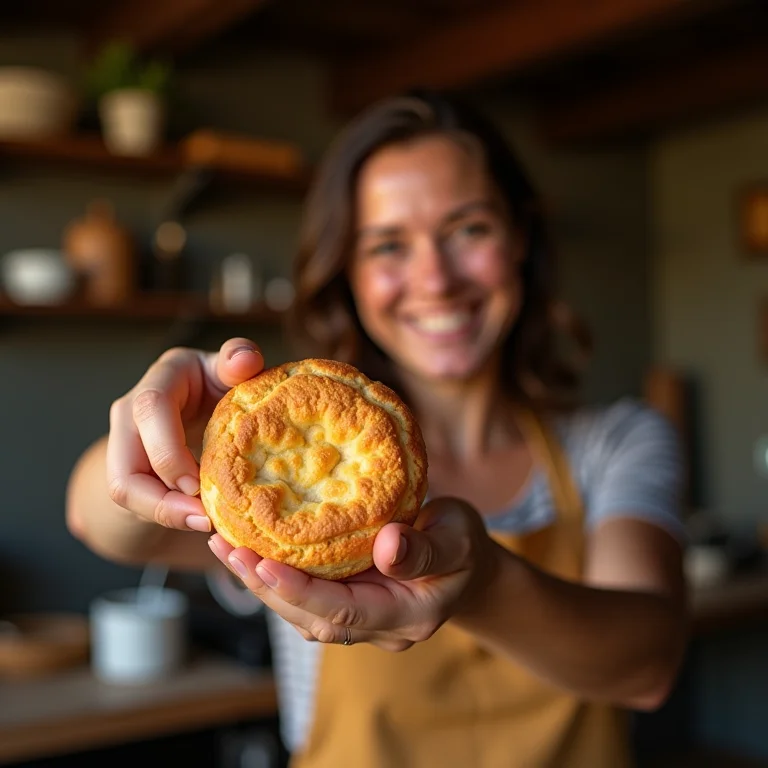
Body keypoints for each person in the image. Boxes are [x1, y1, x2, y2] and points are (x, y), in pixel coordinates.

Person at [66, 90, 688, 768]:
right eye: (389, 244)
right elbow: (98, 522)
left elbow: (647, 665)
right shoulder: (279, 488)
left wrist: (482, 582)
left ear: (520, 238)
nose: (435, 278)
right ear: (349, 274)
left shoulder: (616, 441)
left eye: (469, 229)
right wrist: (168, 437)